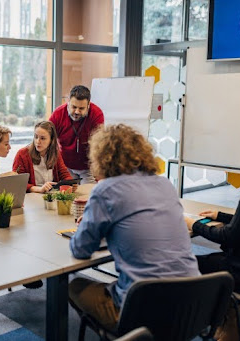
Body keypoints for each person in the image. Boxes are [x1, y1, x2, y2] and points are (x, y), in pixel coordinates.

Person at [69, 124, 200, 330]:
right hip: (194, 301)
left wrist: (93, 223)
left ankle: (128, 333)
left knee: (75, 286)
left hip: (143, 309)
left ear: (101, 157)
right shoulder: (164, 184)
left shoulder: (105, 189)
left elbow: (81, 250)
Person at [185, 126, 240, 341]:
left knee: (183, 263)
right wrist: (221, 215)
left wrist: (192, 223)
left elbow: (228, 237)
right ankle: (231, 324)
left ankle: (214, 324)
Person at [49, 85, 104, 184]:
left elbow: (99, 144)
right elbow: (48, 139)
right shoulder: (58, 114)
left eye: (81, 108)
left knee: (88, 195)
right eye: (74, 107)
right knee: (68, 196)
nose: (77, 112)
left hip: (87, 167)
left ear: (88, 106)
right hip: (66, 166)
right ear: (68, 102)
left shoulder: (97, 114)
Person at [12, 121, 76, 193]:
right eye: (36, 137)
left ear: (51, 140)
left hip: (51, 196)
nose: (38, 141)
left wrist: (70, 184)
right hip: (31, 197)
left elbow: (64, 174)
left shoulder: (55, 153)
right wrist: (39, 189)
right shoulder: (22, 154)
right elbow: (18, 182)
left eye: (42, 138)